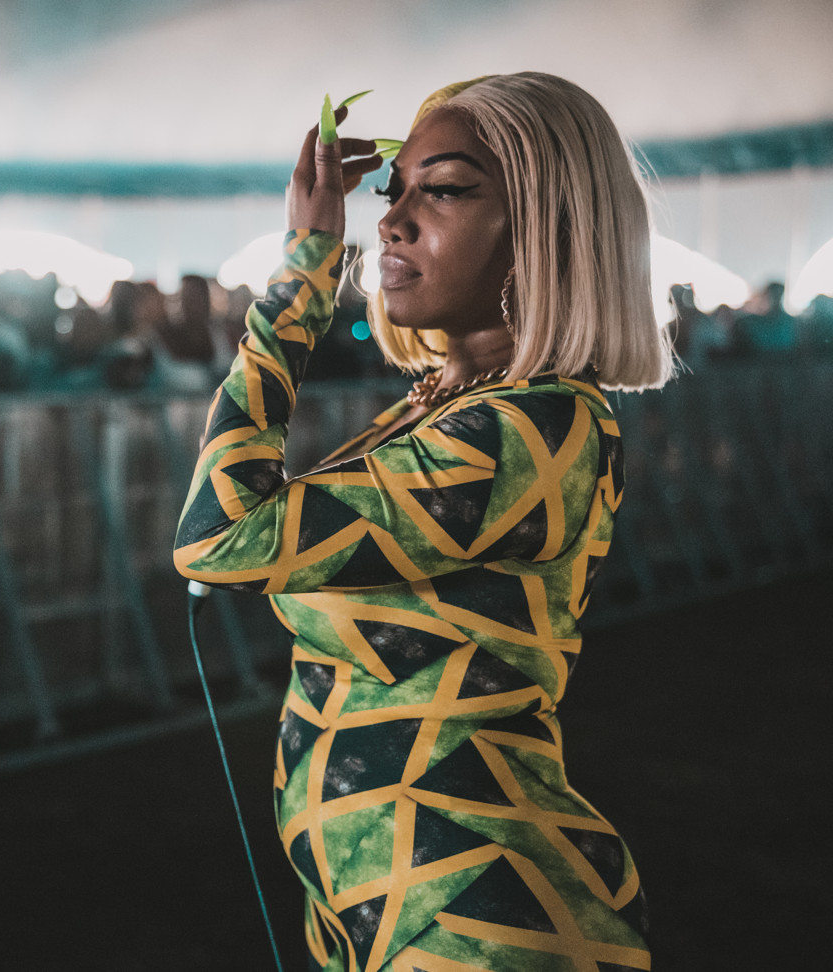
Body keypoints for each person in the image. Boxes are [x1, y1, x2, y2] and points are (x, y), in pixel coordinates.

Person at [175, 73, 671, 971]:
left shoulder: (533, 428)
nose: (392, 222)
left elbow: (222, 534)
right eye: (391, 191)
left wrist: (303, 274)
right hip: (372, 901)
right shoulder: (440, 405)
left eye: (442, 191)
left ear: (546, 228)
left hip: (474, 913)